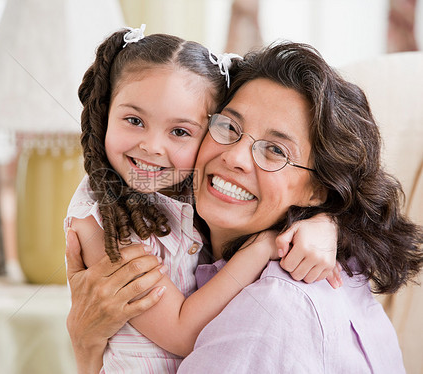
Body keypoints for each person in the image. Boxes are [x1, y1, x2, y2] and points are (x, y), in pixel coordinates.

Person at [66, 41, 423, 373]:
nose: (234, 157)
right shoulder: (159, 206)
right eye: (230, 127)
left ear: (318, 190)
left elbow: (179, 330)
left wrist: (85, 346)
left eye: (275, 150)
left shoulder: (273, 307)